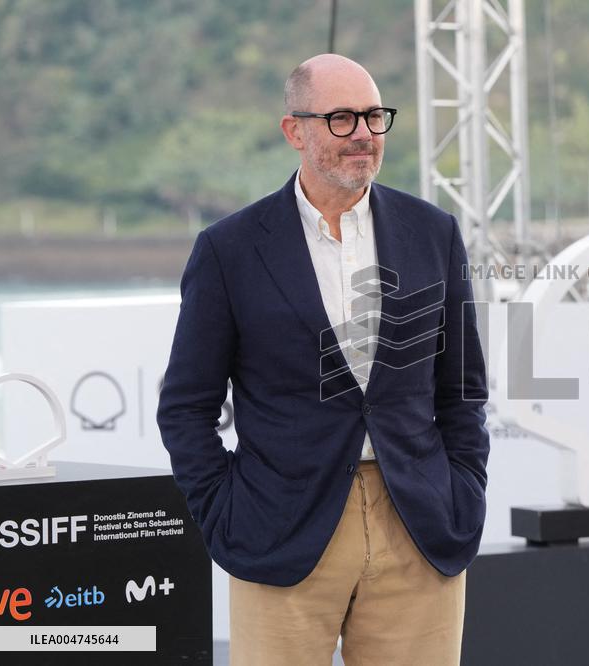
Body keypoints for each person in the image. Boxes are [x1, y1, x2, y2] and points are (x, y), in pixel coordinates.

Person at [157, 53, 490, 666]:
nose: (363, 133)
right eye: (341, 118)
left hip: (417, 527)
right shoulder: (229, 249)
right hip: (279, 530)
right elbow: (186, 406)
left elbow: (462, 387)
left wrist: (462, 487)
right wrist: (225, 512)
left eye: (373, 116)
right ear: (295, 131)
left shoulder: (432, 233)